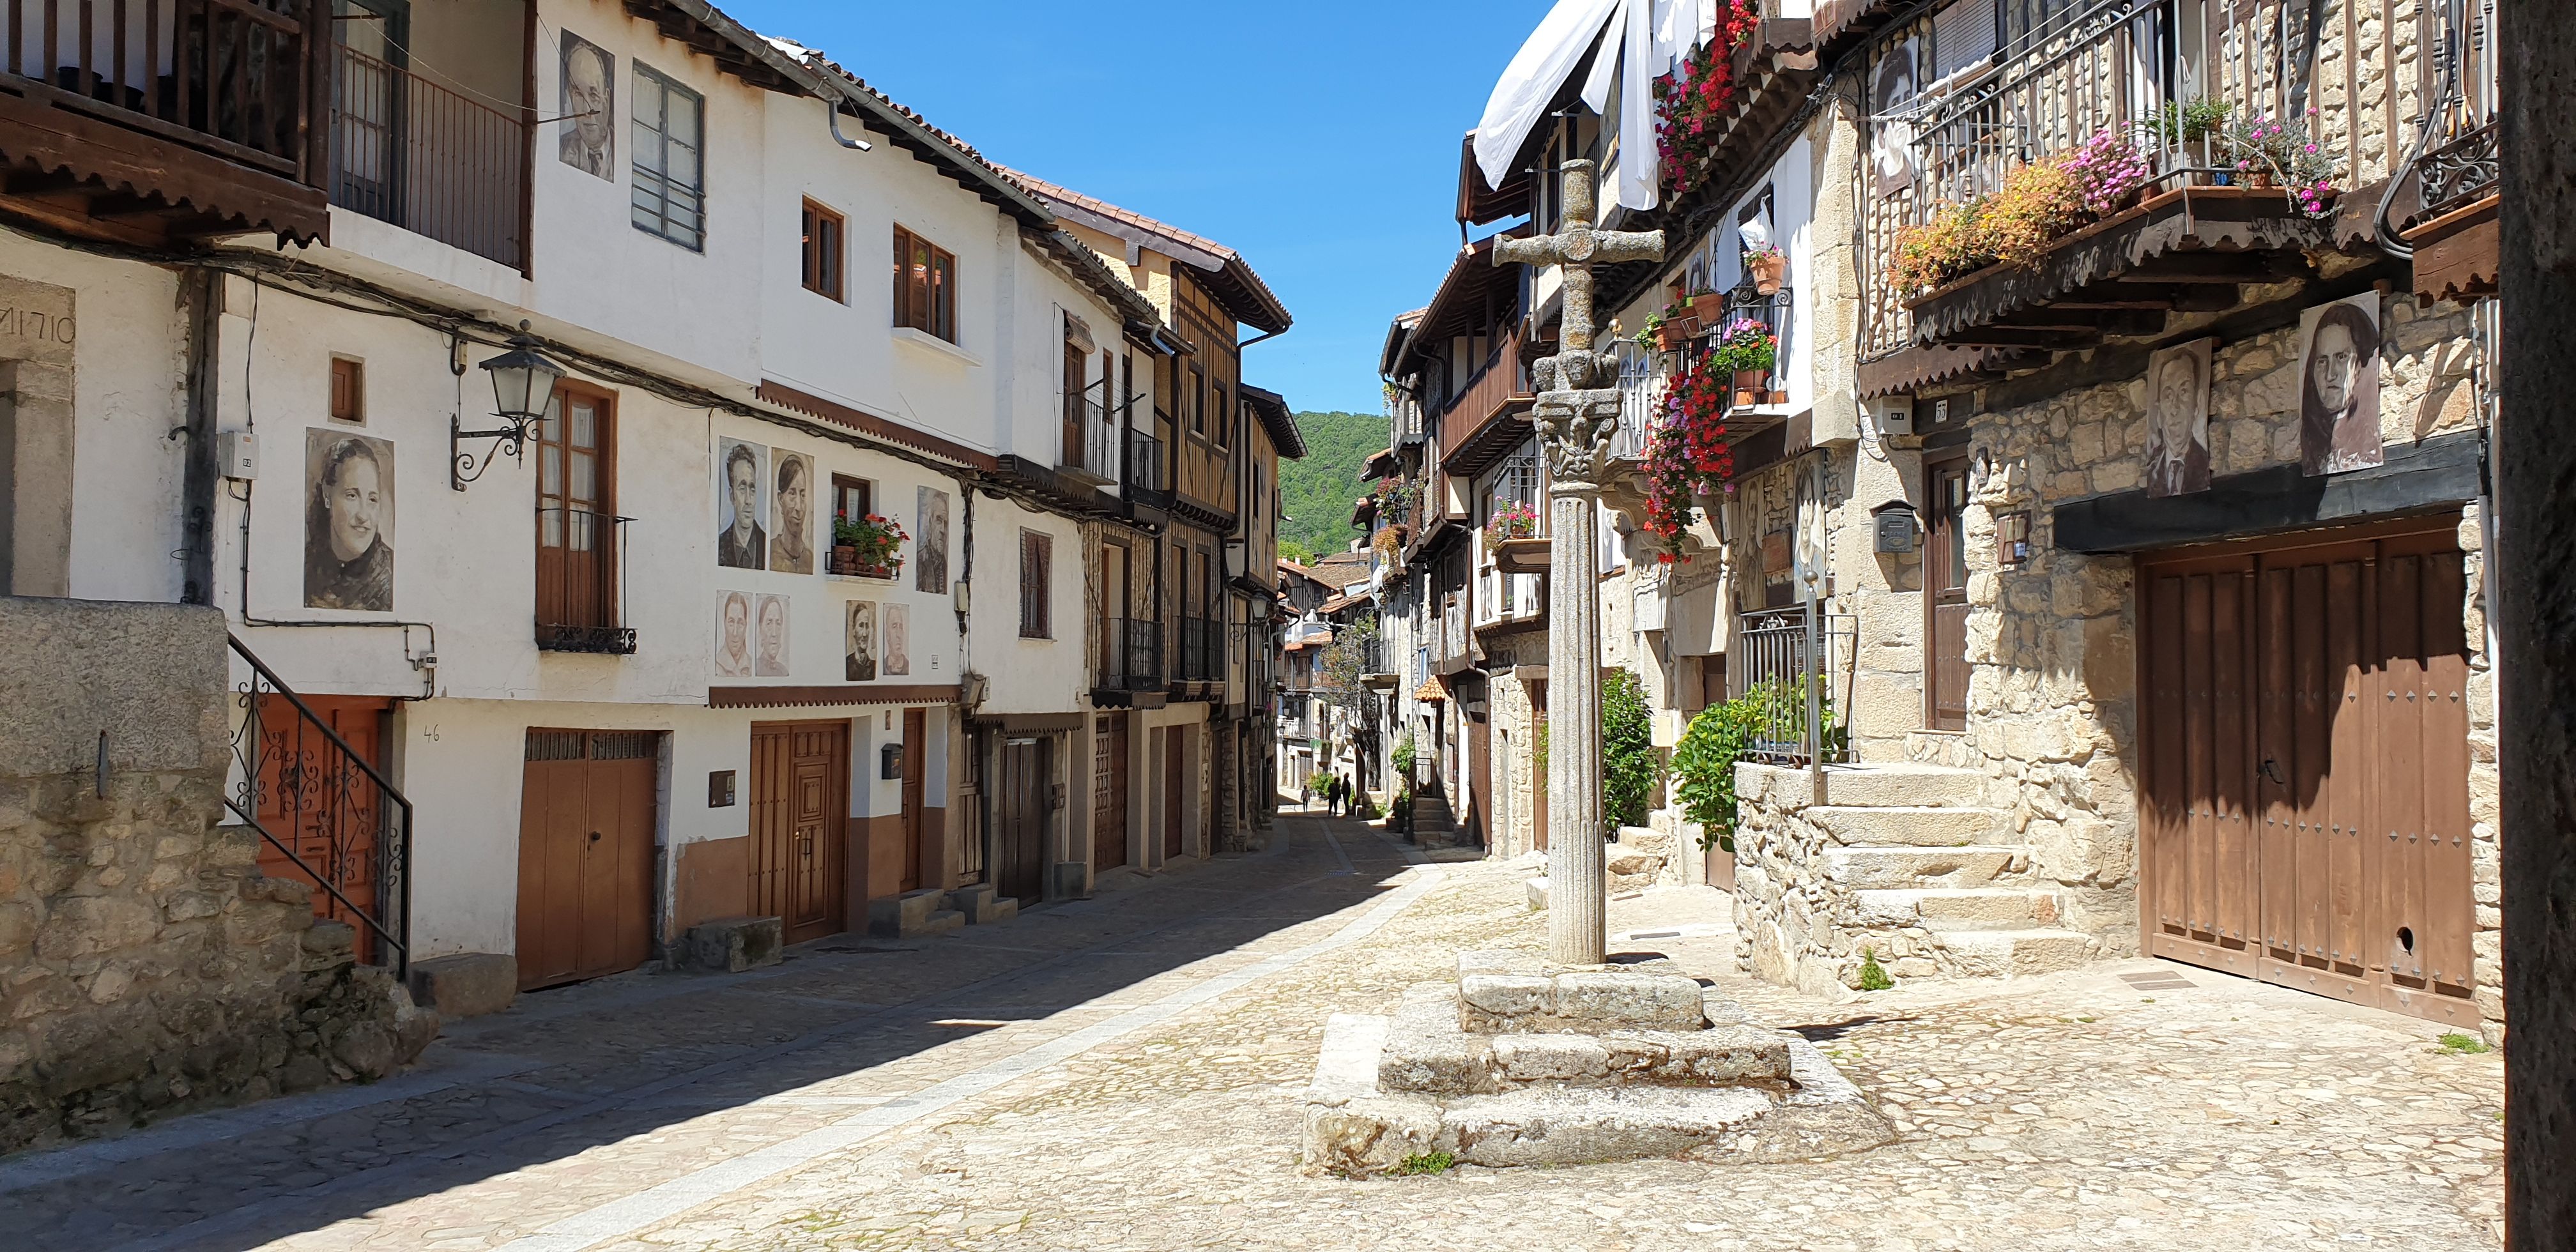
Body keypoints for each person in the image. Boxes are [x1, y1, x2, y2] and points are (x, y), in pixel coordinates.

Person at [305, 436, 394, 611]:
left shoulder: (389, 575)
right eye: (352, 495)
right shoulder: (306, 566)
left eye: (372, 499)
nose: (363, 515)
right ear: (327, 495)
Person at [2301, 300, 2384, 475]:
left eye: (2341, 357)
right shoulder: (2314, 442)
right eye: (2322, 361)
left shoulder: (2367, 437)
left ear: (2363, 364)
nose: (2330, 374)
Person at [2144, 349, 2210, 497]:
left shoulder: (2203, 463)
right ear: (2159, 410)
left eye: (2184, 392)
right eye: (2168, 396)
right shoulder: (2152, 469)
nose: (2175, 408)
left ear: (2197, 404)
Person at [559, 37, 613, 177]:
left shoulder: (621, 153)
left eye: (593, 94)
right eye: (578, 94)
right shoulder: (562, 149)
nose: (587, 110)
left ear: (606, 100)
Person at [717, 442, 765, 568]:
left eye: (752, 489)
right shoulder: (719, 545)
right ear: (732, 495)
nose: (748, 500)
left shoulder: (766, 544)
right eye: (742, 489)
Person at [770, 455, 813, 573]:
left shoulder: (810, 557)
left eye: (803, 495)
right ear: (780, 499)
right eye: (792, 494)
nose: (799, 507)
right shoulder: (770, 552)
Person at [714, 592, 752, 677]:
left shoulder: (753, 666)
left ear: (746, 625)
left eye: (740, 623)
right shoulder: (715, 665)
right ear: (724, 623)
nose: (735, 633)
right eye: (731, 622)